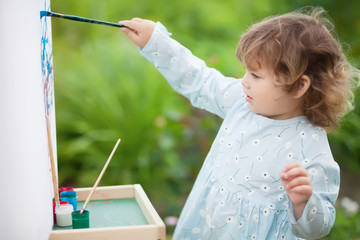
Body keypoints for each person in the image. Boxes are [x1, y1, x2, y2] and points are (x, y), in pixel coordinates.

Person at [119, 6, 359, 239]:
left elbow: (318, 227)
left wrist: (304, 203)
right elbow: (202, 81)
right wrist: (157, 43)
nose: (244, 81)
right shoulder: (242, 104)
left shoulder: (310, 147)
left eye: (255, 75)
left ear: (298, 85)